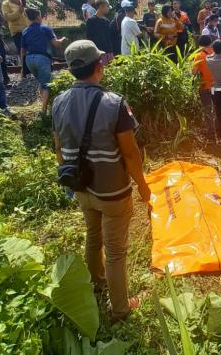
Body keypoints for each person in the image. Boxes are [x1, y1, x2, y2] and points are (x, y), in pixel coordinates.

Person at [51, 39, 150, 322]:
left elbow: (59, 149)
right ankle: (121, 308)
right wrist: (143, 188)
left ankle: (96, 281)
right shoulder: (114, 103)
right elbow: (130, 154)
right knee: (116, 251)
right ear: (99, 66)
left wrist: (74, 180)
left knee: (93, 237)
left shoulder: (58, 102)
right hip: (113, 192)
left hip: (81, 186)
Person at [20, 7, 66, 114]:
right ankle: (44, 110)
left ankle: (43, 103)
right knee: (46, 84)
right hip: (42, 58)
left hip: (29, 59)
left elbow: (22, 51)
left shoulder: (25, 31)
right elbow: (56, 43)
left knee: (41, 81)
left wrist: (23, 67)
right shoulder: (45, 28)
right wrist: (63, 38)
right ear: (38, 17)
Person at [1, 0, 30, 77]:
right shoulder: (6, 4)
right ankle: (25, 72)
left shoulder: (23, 2)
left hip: (28, 30)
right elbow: (7, 17)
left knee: (31, 49)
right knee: (22, 50)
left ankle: (30, 69)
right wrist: (19, 11)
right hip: (18, 31)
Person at [191, 35, 216, 139]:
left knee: (207, 109)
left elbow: (193, 72)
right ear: (210, 43)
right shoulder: (216, 52)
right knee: (217, 109)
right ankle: (219, 130)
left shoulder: (199, 55)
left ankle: (211, 132)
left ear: (200, 44)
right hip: (217, 85)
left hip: (204, 86)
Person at [85, 0, 115, 65]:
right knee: (101, 71)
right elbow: (89, 38)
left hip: (108, 52)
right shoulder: (91, 20)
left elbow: (109, 38)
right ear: (101, 6)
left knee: (111, 70)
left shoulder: (106, 21)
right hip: (98, 53)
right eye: (107, 6)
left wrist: (111, 52)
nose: (108, 8)